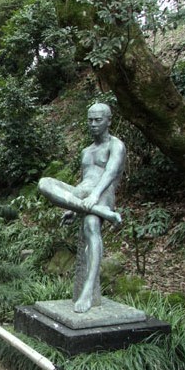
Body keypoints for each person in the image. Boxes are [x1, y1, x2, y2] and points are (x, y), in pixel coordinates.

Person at [38, 103, 126, 313]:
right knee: (44, 183)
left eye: (98, 120)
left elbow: (110, 173)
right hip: (84, 196)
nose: (93, 124)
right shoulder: (86, 151)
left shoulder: (116, 145)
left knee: (91, 225)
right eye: (90, 120)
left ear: (108, 121)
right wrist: (73, 207)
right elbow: (84, 181)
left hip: (103, 194)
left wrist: (95, 197)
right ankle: (100, 213)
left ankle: (87, 291)